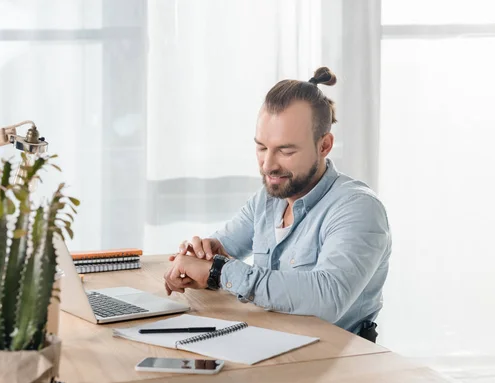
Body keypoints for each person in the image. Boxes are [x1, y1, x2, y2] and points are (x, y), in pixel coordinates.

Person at [163, 67, 391, 339]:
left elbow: (328, 297)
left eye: (286, 150)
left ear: (324, 146)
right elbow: (219, 250)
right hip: (271, 346)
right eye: (262, 147)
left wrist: (216, 271)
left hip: (335, 364)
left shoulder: (357, 208)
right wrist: (194, 260)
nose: (268, 165)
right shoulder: (269, 199)